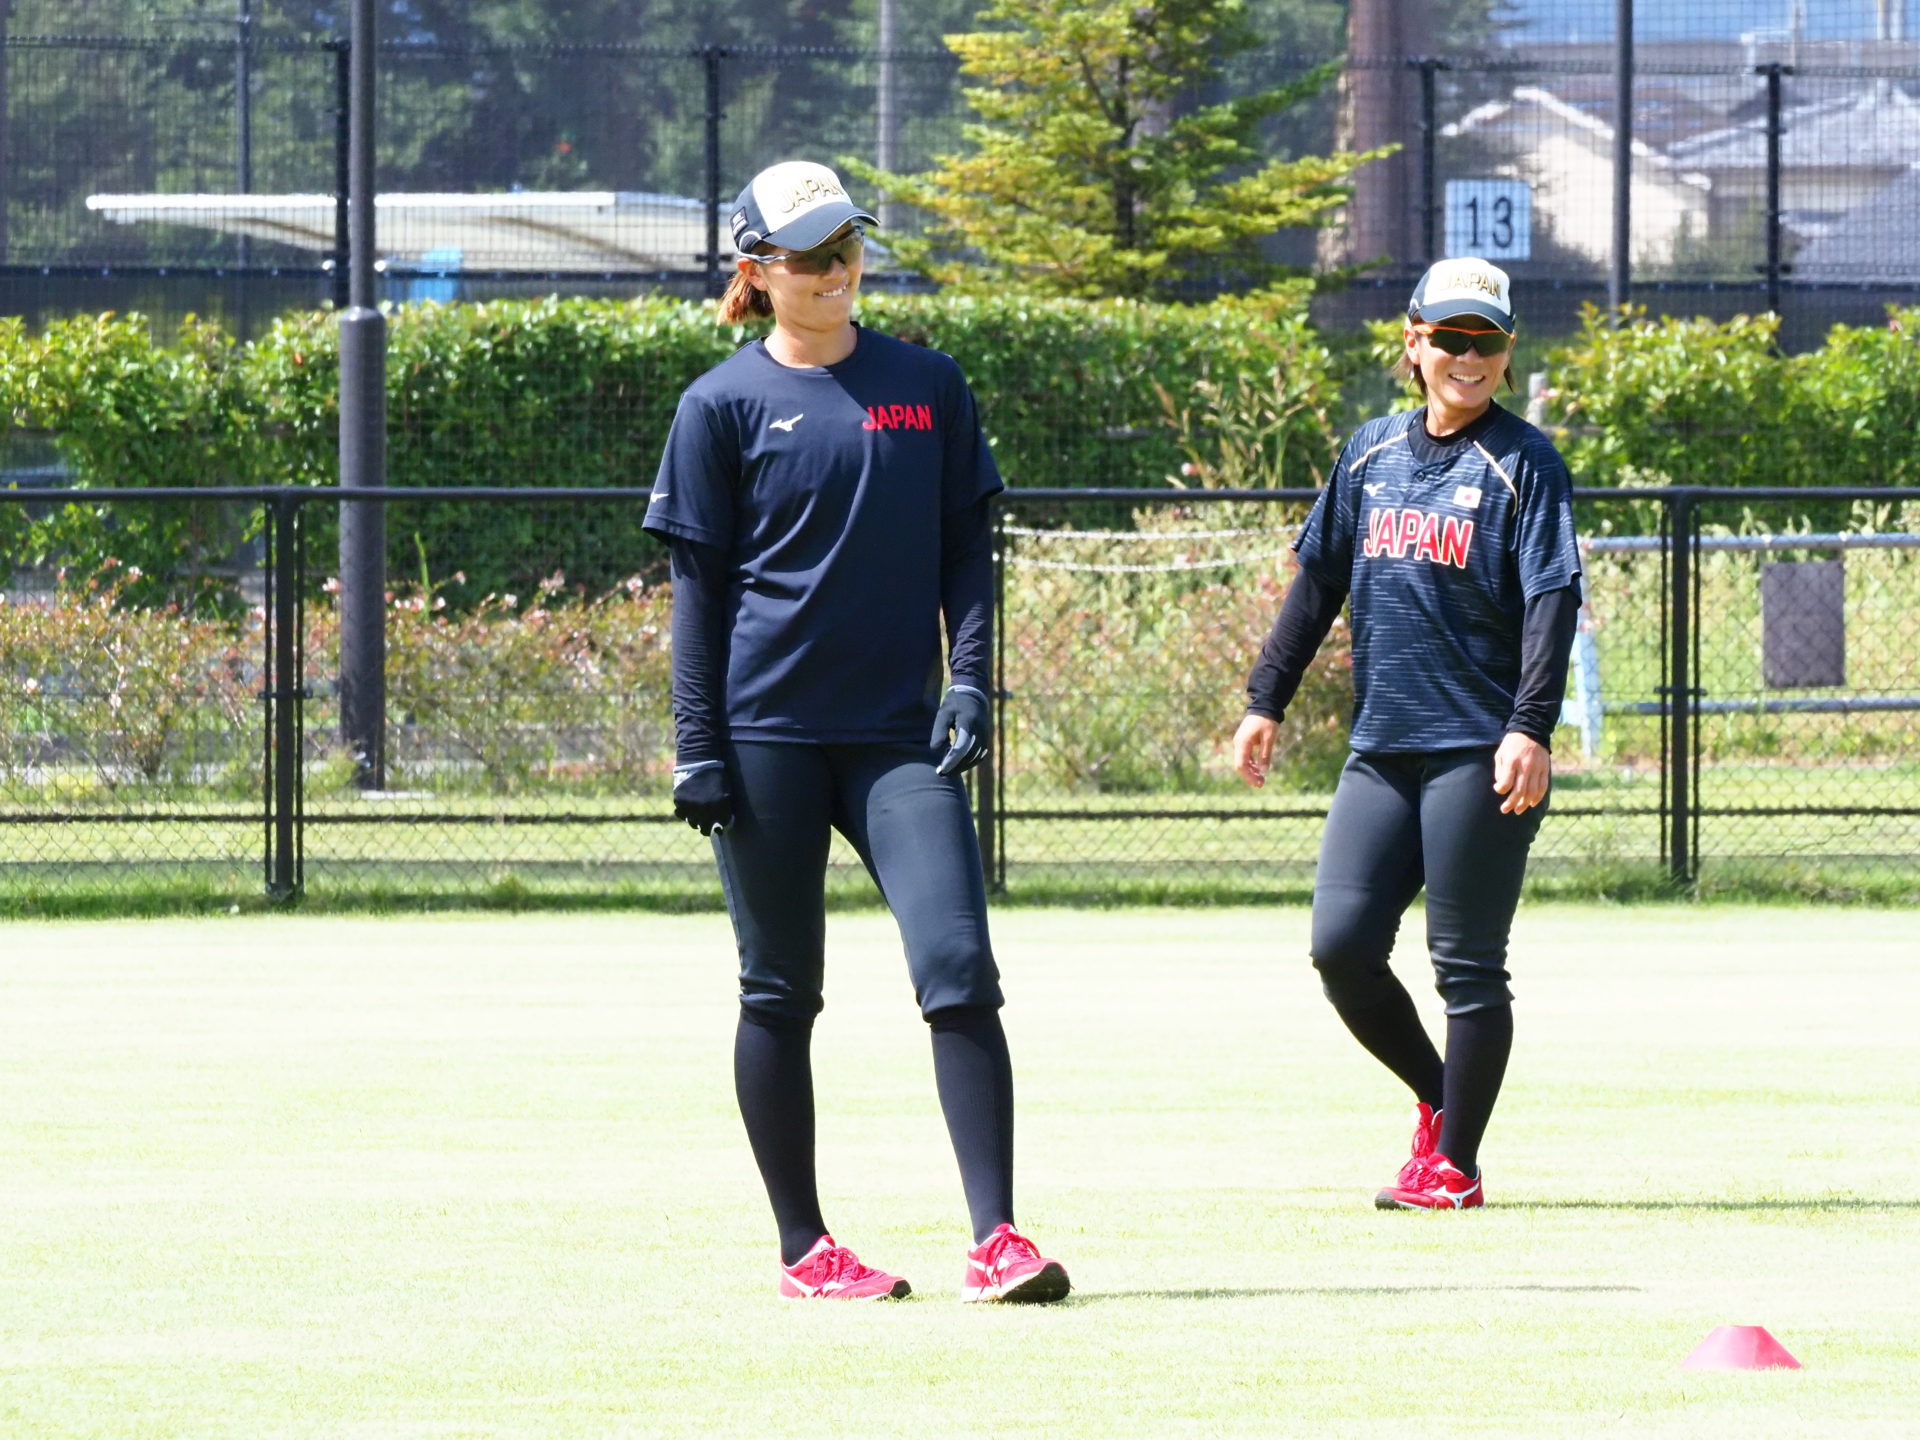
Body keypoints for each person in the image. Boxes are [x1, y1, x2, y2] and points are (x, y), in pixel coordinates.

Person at [643, 160, 1070, 1302]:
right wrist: (697, 744)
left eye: (847, 247)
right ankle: (807, 1250)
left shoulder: (928, 385)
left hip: (897, 740)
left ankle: (997, 1240)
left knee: (958, 967)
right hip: (765, 737)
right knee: (779, 991)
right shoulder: (718, 406)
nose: (835, 270)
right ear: (758, 271)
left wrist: (969, 681)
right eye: (810, 256)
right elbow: (699, 593)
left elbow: (965, 554)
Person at [1232, 257, 1582, 1210]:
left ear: (1507, 353)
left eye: (1487, 342)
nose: (1469, 358)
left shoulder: (1524, 462)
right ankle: (1441, 1101)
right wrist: (1266, 699)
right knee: (1341, 946)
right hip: (1383, 748)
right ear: (1414, 342)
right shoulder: (1370, 452)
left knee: (1465, 966)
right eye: (1452, 338)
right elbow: (1318, 585)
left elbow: (1553, 601)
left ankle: (1455, 1167)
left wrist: (1531, 727)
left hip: (1481, 749)